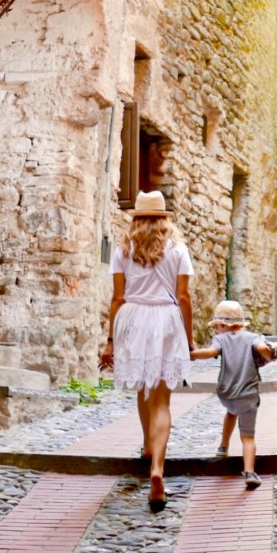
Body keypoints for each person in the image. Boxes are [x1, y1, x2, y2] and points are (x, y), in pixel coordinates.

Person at [99, 189, 194, 512]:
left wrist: (110, 341)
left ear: (136, 217)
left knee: (143, 386)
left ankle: (147, 447)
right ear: (164, 218)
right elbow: (184, 297)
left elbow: (116, 299)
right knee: (163, 399)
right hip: (165, 319)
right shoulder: (178, 249)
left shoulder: (124, 249)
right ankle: (158, 470)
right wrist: (189, 338)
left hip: (134, 319)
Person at [190, 299, 277, 489]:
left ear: (222, 325)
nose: (217, 330)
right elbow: (261, 350)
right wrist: (271, 350)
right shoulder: (253, 337)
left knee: (231, 411)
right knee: (248, 437)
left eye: (217, 326)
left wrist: (191, 354)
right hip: (247, 394)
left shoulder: (220, 339)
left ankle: (223, 447)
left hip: (228, 392)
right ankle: (249, 472)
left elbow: (209, 353)